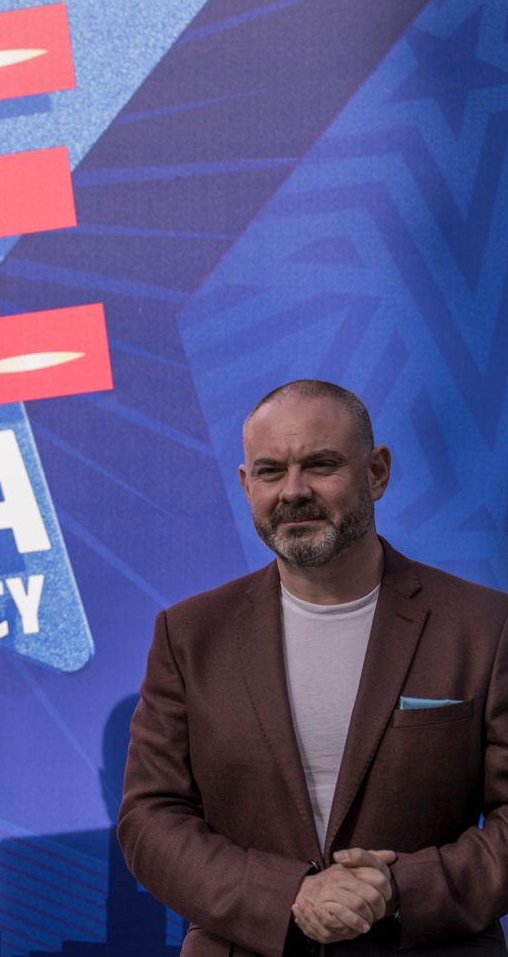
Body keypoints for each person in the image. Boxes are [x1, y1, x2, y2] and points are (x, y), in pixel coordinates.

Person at [118, 379, 508, 955]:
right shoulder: (189, 635)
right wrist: (287, 895)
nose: (293, 492)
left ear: (376, 472)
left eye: (321, 465)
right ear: (247, 485)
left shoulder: (484, 625)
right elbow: (150, 820)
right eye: (270, 472)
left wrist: (396, 890)